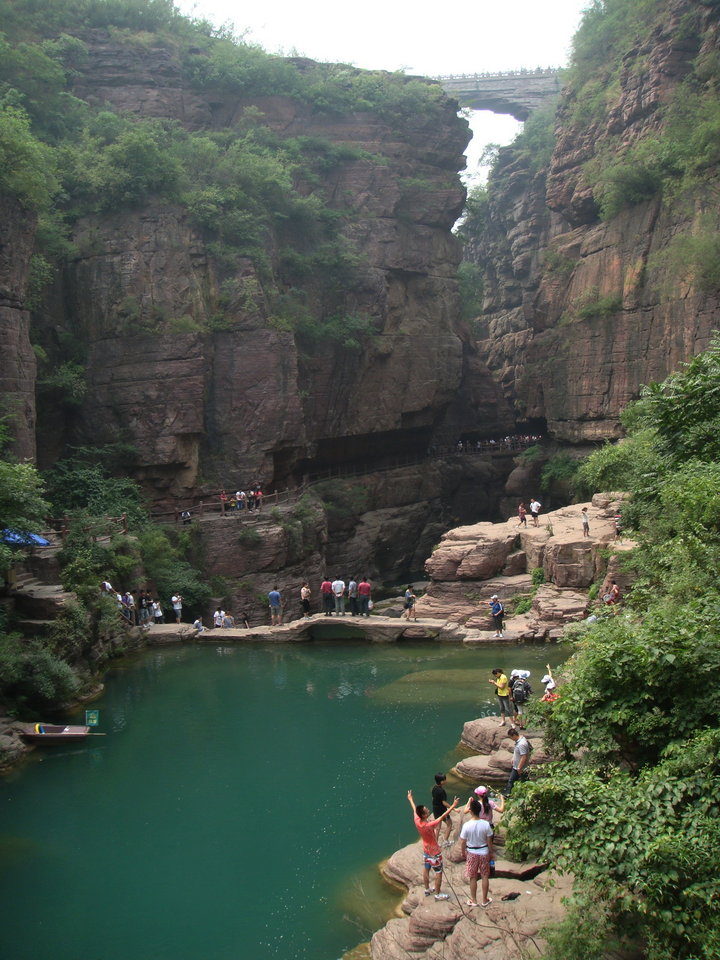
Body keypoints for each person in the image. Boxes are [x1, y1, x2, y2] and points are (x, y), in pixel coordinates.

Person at [407, 789, 459, 900]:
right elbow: (443, 815)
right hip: (434, 852)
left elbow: (414, 808)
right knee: (438, 872)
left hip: (426, 851)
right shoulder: (429, 825)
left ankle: (427, 889)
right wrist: (453, 805)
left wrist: (410, 799)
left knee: (426, 869)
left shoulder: (417, 820)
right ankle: (438, 894)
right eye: (426, 810)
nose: (427, 809)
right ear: (424, 815)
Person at [460, 797, 495, 908]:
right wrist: (491, 853)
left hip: (471, 852)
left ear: (470, 811)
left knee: (473, 877)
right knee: (485, 876)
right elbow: (489, 840)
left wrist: (463, 852)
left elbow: (463, 841)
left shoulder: (466, 825)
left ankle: (474, 900)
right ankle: (484, 900)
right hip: (484, 851)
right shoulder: (485, 824)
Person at [504, 727, 531, 796]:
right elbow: (517, 752)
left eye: (511, 737)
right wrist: (513, 757)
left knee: (513, 781)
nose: (511, 739)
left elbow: (523, 757)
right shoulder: (519, 740)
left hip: (520, 768)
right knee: (523, 781)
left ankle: (508, 796)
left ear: (514, 735)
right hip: (517, 766)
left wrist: (519, 768)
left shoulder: (522, 744)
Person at [431, 774, 454, 846]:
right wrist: (453, 808)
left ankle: (435, 843)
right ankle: (445, 841)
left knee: (437, 827)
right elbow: (444, 803)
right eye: (444, 780)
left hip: (435, 809)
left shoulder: (434, 788)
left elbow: (433, 798)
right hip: (442, 810)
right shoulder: (441, 791)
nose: (445, 781)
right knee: (449, 824)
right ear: (441, 782)